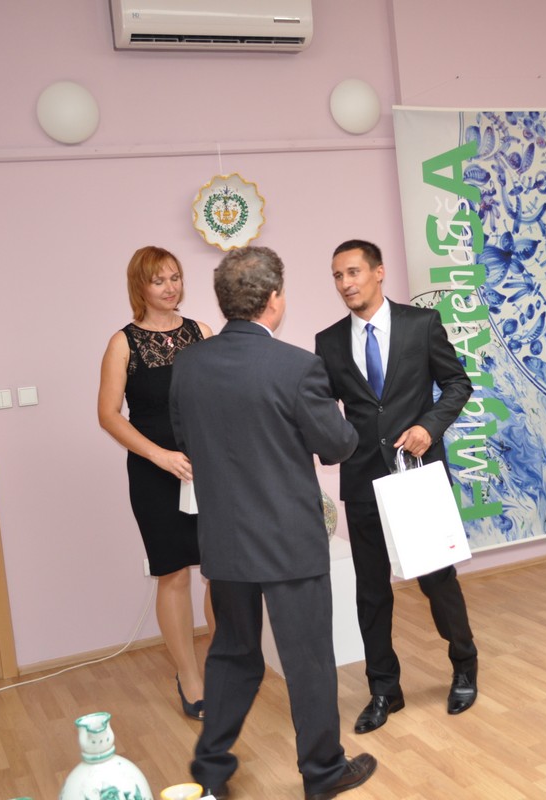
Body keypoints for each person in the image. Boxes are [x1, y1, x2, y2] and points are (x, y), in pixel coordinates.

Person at [170, 245, 377, 800]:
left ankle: (210, 772)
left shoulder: (189, 364)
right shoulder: (296, 367)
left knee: (233, 655)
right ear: (273, 299)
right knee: (308, 661)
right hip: (289, 541)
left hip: (225, 539)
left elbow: (185, 438)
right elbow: (336, 446)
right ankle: (323, 772)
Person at [315, 239, 479, 734]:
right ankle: (384, 690)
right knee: (371, 592)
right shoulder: (328, 341)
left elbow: (458, 384)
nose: (345, 283)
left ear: (378, 272)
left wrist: (430, 426)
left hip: (416, 475)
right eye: (337, 276)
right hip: (361, 478)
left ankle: (464, 664)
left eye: (353, 272)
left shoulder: (421, 324)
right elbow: (324, 409)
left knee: (436, 581)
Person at [99, 245, 215, 719]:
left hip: (207, 469)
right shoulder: (122, 343)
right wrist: (160, 456)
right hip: (154, 472)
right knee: (173, 573)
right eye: (159, 280)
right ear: (140, 287)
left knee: (219, 569)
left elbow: (220, 396)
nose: (171, 288)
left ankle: (223, 666)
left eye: (175, 277)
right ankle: (189, 677)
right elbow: (108, 415)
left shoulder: (202, 332)